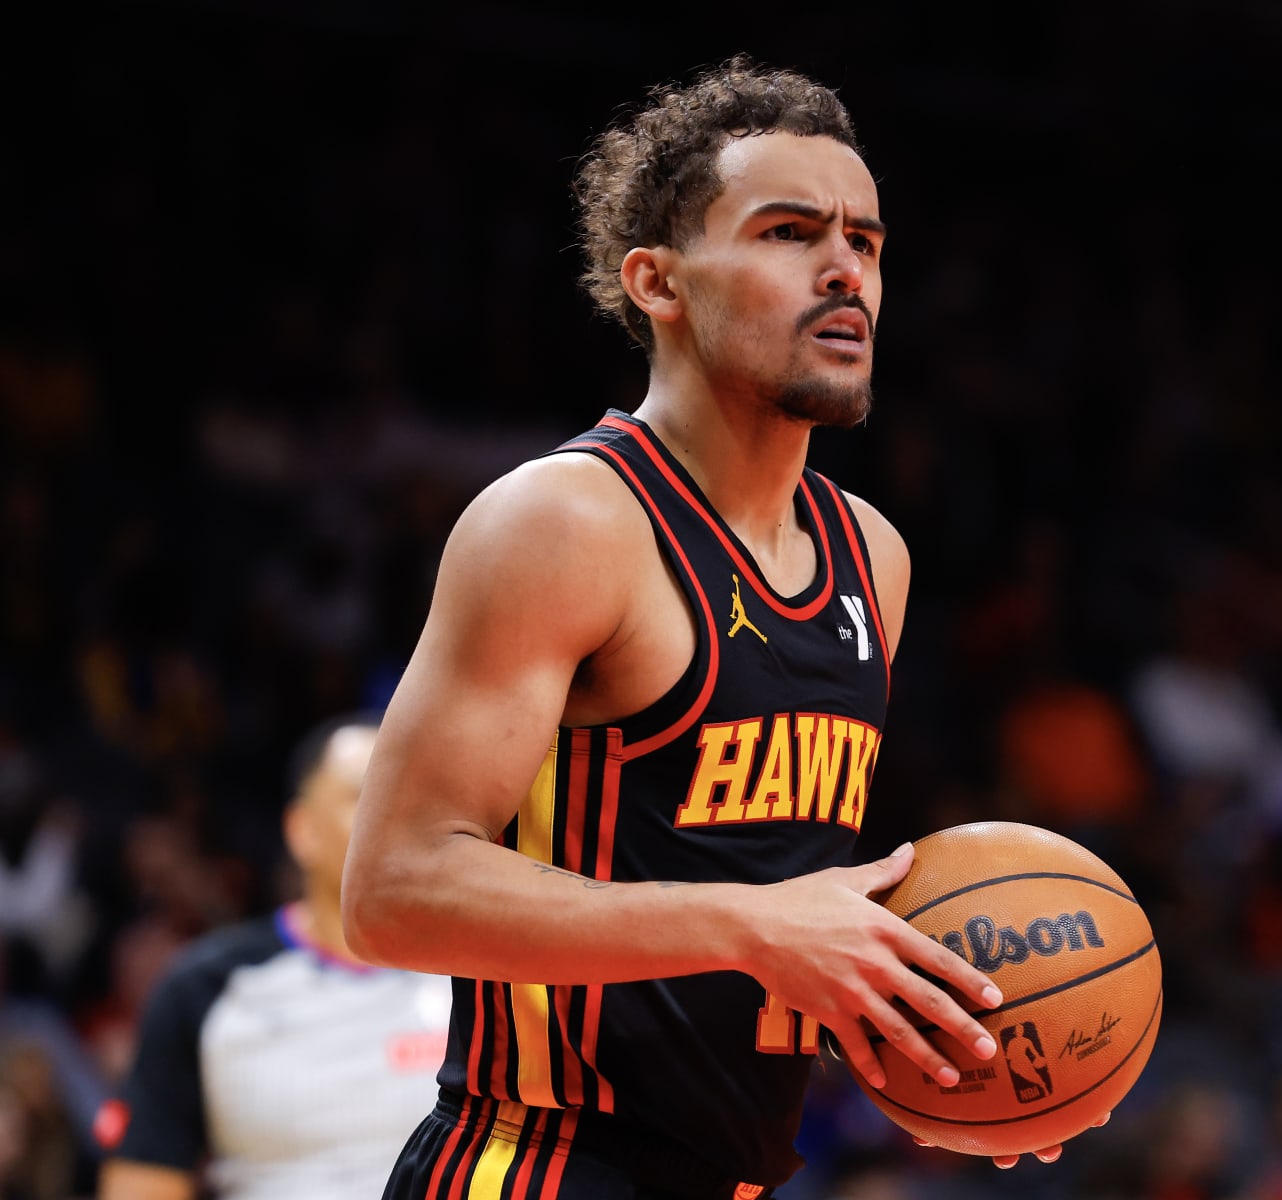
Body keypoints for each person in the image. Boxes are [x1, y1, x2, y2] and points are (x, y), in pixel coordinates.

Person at [341, 55, 1098, 1200]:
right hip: (537, 1165)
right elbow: (392, 891)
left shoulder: (870, 555)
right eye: (790, 232)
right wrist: (758, 928)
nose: (845, 269)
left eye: (868, 242)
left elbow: (755, 902)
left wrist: (940, 1046)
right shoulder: (566, 520)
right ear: (658, 282)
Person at [94, 711, 451, 1199]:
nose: (396, 812)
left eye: (413, 793)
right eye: (363, 794)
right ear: (301, 830)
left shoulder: (487, 977)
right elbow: (141, 1184)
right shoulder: (205, 988)